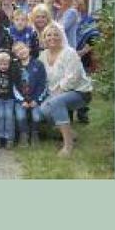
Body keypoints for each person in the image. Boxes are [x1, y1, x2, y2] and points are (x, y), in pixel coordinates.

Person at [37, 24, 93, 156]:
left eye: (56, 34)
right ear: (44, 38)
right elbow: (40, 77)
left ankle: (68, 146)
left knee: (56, 103)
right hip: (54, 92)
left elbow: (74, 76)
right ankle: (70, 133)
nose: (52, 38)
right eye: (48, 35)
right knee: (42, 111)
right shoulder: (42, 55)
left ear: (61, 37)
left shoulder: (69, 52)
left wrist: (58, 91)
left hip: (79, 91)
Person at [12, 40, 47, 144]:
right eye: (17, 51)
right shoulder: (14, 66)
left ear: (28, 48)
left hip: (35, 98)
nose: (21, 51)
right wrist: (21, 100)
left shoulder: (38, 64)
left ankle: (34, 134)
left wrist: (36, 100)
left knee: (36, 116)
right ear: (15, 55)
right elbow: (13, 86)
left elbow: (43, 84)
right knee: (20, 116)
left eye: (22, 48)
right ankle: (24, 134)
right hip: (20, 99)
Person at [0, 49, 20, 148]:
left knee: (9, 117)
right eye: (1, 64)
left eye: (6, 64)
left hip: (9, 99)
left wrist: (14, 62)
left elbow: (17, 76)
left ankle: (10, 138)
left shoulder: (12, 71)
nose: (3, 66)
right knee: (0, 116)